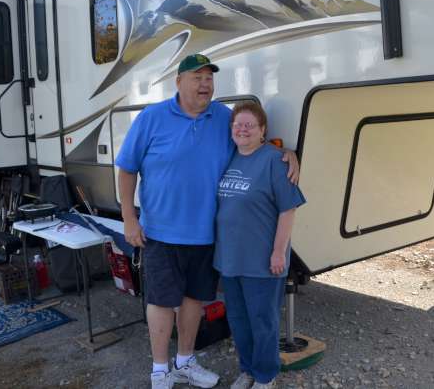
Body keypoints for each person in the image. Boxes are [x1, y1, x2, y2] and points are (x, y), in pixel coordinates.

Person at [115, 54, 299, 389]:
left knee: (193, 300)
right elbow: (127, 168)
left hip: (205, 235)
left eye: (209, 78)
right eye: (197, 77)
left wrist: (288, 153)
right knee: (160, 300)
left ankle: (185, 361)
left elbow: (251, 146)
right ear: (179, 82)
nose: (205, 84)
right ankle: (160, 369)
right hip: (160, 231)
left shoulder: (222, 118)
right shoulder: (152, 117)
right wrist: (129, 217)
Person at [214, 102, 306, 389]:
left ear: (262, 130)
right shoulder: (229, 157)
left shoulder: (275, 161)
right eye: (237, 125)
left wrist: (279, 251)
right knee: (239, 321)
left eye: (249, 125)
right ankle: (249, 370)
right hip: (229, 259)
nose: (242, 129)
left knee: (262, 322)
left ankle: (266, 377)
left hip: (263, 260)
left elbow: (287, 210)